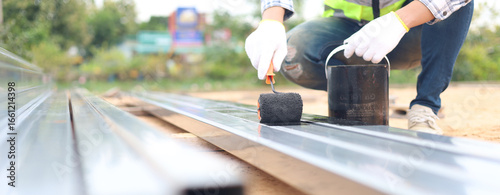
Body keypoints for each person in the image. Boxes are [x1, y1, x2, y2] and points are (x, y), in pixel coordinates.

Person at [245, 0, 473, 134]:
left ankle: (425, 106)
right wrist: (272, 19)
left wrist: (400, 20)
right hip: (347, 34)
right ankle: (362, 98)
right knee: (296, 50)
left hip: (411, 31)